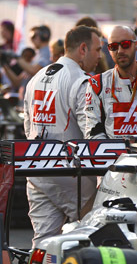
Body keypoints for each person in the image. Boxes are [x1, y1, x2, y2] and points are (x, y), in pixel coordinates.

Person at [23, 25, 102, 248]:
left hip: (37, 169)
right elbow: (91, 131)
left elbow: (28, 125)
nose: (100, 56)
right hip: (70, 172)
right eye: (97, 50)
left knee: (43, 242)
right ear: (83, 49)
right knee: (97, 229)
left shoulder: (36, 77)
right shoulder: (81, 81)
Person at [83, 25, 137, 139]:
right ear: (109, 50)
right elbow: (92, 131)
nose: (120, 51)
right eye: (113, 46)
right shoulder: (96, 84)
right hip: (112, 155)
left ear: (136, 45)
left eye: (125, 44)